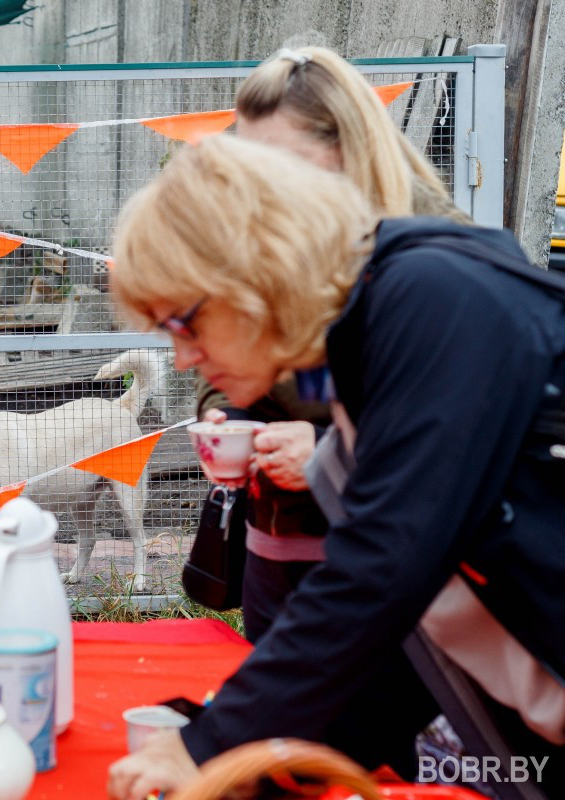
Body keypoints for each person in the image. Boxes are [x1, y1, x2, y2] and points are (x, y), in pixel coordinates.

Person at [106, 134, 565, 799]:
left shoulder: (430, 299)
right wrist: (257, 765)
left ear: (254, 270)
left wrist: (214, 744)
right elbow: (410, 627)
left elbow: (380, 569)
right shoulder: (373, 342)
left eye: (183, 323)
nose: (180, 359)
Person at [201, 46, 471, 646]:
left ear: (349, 148)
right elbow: (226, 361)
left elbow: (456, 428)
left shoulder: (436, 258)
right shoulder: (264, 232)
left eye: (284, 167)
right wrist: (228, 417)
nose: (264, 190)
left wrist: (325, 449)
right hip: (276, 540)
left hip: (388, 554)